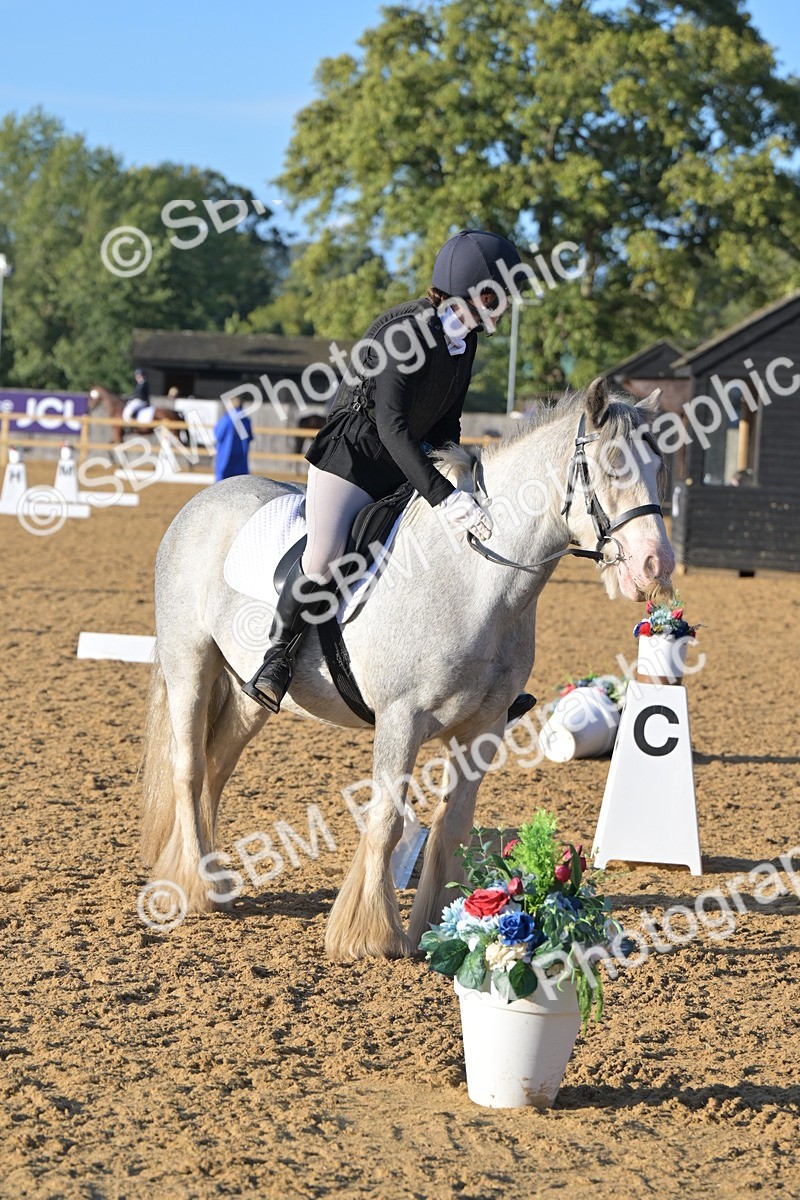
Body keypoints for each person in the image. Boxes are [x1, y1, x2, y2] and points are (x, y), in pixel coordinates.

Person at [242, 229, 523, 714]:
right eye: (498, 295)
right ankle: (277, 659)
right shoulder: (405, 331)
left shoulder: (465, 340)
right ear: (469, 290)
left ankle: (473, 680)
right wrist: (441, 494)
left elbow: (447, 420)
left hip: (406, 458)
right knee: (327, 553)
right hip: (356, 457)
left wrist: (461, 474)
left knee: (442, 546)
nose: (505, 306)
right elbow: (392, 425)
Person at [214, 395, 254, 481]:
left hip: (226, 456)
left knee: (222, 484)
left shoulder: (226, 419)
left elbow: (218, 435)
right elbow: (250, 438)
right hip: (241, 458)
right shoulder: (246, 420)